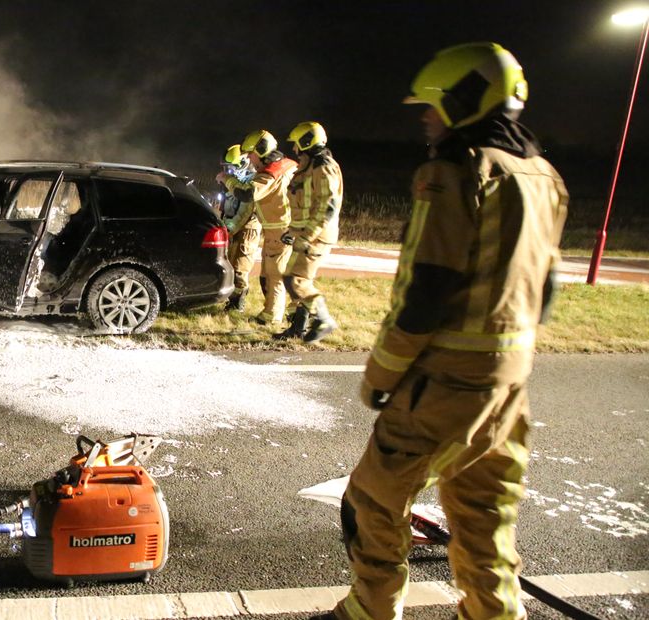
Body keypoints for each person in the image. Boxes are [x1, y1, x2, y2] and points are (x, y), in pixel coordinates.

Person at [331, 43, 568, 620]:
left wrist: (381, 374)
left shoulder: (455, 170)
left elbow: (426, 290)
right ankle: (494, 612)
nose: (425, 117)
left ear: (464, 100)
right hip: (510, 381)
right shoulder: (542, 174)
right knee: (483, 511)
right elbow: (548, 290)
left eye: (433, 106)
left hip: (447, 380)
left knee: (371, 499)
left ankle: (370, 609)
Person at [219, 130, 298, 325]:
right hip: (285, 230)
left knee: (273, 275)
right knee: (273, 275)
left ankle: (275, 316)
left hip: (281, 231)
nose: (251, 159)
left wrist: (226, 180)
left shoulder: (269, 175)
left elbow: (247, 194)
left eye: (251, 154)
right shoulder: (288, 165)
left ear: (260, 152)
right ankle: (291, 314)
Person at [275, 121, 343, 343]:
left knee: (297, 280)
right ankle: (298, 327)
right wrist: (292, 231)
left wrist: (306, 236)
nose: (294, 149)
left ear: (306, 142)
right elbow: (303, 205)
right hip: (303, 234)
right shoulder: (308, 166)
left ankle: (323, 320)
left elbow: (327, 207)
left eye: (296, 144)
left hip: (315, 237)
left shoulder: (323, 167)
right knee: (291, 278)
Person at [215, 144, 260, 313]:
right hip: (232, 227)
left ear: (242, 163)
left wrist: (229, 228)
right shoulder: (235, 182)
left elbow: (244, 211)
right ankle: (230, 300)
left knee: (240, 267)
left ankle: (237, 304)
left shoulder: (251, 183)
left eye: (231, 168)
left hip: (246, 231)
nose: (228, 171)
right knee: (229, 265)